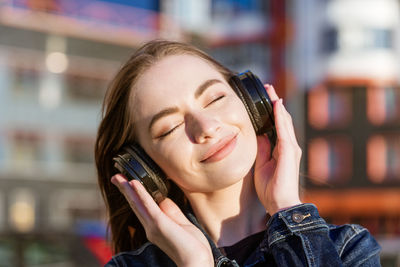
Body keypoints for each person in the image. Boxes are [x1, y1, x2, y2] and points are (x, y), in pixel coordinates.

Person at [95, 40, 381, 266]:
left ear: (251, 102)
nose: (206, 127)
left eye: (216, 98)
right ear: (144, 168)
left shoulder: (348, 249)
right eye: (170, 127)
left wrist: (287, 209)